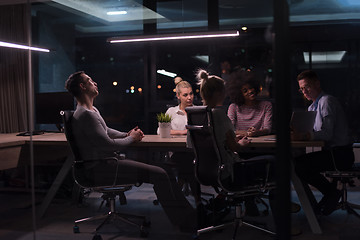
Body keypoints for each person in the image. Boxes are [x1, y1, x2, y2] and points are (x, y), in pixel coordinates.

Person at [65, 71, 196, 232]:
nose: (95, 83)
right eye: (90, 80)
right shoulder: (85, 115)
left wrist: (126, 134)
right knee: (159, 174)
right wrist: (131, 139)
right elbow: (109, 145)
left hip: (105, 165)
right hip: (99, 169)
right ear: (82, 86)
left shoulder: (91, 111)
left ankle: (189, 215)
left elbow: (106, 131)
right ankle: (185, 222)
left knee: (166, 169)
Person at [196, 69, 275, 216]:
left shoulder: (195, 114)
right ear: (220, 93)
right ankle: (280, 214)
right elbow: (234, 146)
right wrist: (242, 144)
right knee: (275, 161)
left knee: (250, 160)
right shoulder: (219, 115)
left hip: (206, 170)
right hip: (230, 170)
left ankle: (239, 201)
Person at [293, 70, 354, 216]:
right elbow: (317, 135)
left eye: (307, 86)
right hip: (332, 153)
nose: (304, 91)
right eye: (301, 88)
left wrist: (305, 135)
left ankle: (331, 194)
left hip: (341, 154)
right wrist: (300, 134)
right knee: (298, 164)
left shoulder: (326, 101)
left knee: (298, 165)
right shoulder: (311, 107)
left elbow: (327, 134)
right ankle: (330, 195)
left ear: (317, 83)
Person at [159, 76, 201, 205]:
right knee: (187, 163)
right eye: (185, 95)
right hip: (176, 152)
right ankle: (198, 201)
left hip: (196, 152)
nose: (189, 98)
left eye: (191, 94)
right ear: (178, 96)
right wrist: (182, 132)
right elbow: (160, 131)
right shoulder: (171, 111)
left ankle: (176, 194)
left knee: (187, 163)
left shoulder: (198, 111)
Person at [226, 69, 273, 137]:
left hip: (261, 145)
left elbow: (267, 129)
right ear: (239, 94)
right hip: (240, 145)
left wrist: (256, 132)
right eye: (245, 91)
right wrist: (248, 133)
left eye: (251, 88)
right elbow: (230, 130)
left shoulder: (266, 105)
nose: (250, 91)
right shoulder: (233, 107)